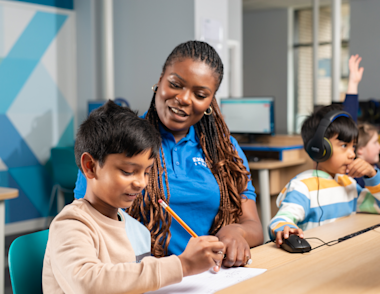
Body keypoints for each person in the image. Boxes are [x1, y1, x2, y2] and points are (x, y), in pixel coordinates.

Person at [73, 40, 263, 267]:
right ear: (159, 81)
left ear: (210, 102)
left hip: (210, 277)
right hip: (139, 278)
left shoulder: (224, 148)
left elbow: (253, 225)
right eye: (175, 84)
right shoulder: (120, 141)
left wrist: (236, 232)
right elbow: (86, 223)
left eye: (200, 95)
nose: (184, 99)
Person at [43, 100, 225, 294]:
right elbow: (87, 283)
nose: (141, 183)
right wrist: (182, 265)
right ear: (90, 166)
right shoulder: (72, 223)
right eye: (128, 171)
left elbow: (135, 282)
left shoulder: (137, 231)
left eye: (146, 172)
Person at [268, 104, 380, 247]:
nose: (352, 154)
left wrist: (372, 175)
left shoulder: (348, 184)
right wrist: (286, 229)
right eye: (344, 146)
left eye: (353, 146)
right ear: (320, 148)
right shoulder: (302, 186)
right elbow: (281, 219)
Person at [355, 123, 380, 187]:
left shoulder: (376, 166)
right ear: (360, 149)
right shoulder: (355, 178)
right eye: (375, 142)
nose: (379, 147)